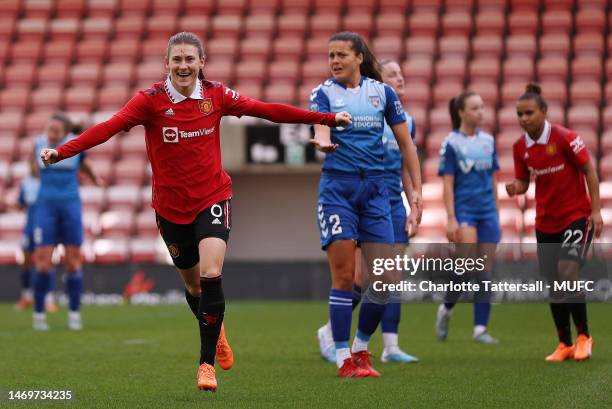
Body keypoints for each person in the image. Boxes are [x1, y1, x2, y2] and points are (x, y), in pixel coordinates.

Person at [40, 32, 352, 392]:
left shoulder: (217, 95)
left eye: (190, 59)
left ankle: (206, 364)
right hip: (171, 208)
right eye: (177, 60)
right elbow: (107, 128)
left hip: (213, 198)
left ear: (202, 62)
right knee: (192, 284)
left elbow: (267, 110)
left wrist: (326, 119)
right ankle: (216, 329)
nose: (184, 66)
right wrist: (62, 152)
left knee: (211, 271)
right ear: (167, 64)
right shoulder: (150, 101)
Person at [310, 32, 422, 378]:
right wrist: (324, 141)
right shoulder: (323, 93)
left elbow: (407, 146)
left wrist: (416, 193)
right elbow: (322, 128)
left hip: (376, 193)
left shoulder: (383, 94)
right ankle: (344, 357)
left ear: (360, 57)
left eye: (342, 54)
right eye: (331, 55)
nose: (335, 60)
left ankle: (361, 348)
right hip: (338, 191)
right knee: (344, 276)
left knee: (385, 279)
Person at [506, 83, 602, 361]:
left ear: (544, 112)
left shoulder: (565, 137)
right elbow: (525, 180)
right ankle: (565, 344)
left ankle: (584, 336)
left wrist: (595, 212)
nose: (523, 119)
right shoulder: (520, 147)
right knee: (554, 282)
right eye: (519, 114)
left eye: (529, 113)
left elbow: (589, 171)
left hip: (575, 216)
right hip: (545, 221)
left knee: (567, 270)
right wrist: (517, 186)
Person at [435, 91, 500, 344]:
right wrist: (451, 218)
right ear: (461, 112)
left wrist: (495, 209)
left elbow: (493, 178)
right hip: (465, 212)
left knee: (485, 271)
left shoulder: (488, 141)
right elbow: (448, 183)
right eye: (475, 108)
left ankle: (480, 329)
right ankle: (446, 308)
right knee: (466, 269)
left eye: (482, 107)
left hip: (487, 213)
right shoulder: (451, 143)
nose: (480, 112)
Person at [31, 113, 99, 331]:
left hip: (70, 207)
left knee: (72, 262)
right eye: (48, 129)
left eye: (55, 131)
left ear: (65, 133)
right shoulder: (38, 144)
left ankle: (73, 313)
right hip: (45, 207)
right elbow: (32, 168)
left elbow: (85, 165)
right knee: (43, 261)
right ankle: (39, 313)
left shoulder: (73, 145)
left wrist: (95, 179)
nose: (50, 135)